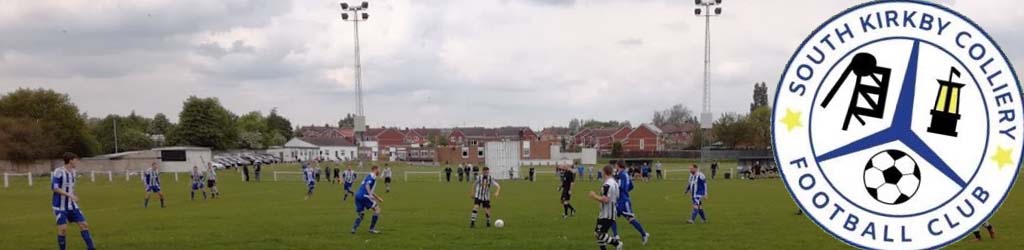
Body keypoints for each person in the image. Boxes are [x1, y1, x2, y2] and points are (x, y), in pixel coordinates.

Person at [51, 153, 96, 250]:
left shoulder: (73, 172)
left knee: (84, 225)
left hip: (72, 205)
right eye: (75, 160)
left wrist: (74, 194)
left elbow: (71, 186)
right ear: (70, 160)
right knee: (63, 229)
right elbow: (55, 188)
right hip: (60, 206)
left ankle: (91, 248)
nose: (76, 162)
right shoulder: (58, 171)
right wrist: (70, 195)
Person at [614, 163, 650, 245]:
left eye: (616, 165)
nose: (615, 167)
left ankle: (644, 234)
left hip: (623, 201)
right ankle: (616, 236)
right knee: (611, 216)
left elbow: (621, 187)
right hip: (621, 200)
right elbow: (631, 186)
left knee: (630, 219)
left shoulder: (621, 174)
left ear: (618, 166)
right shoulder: (625, 174)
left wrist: (614, 189)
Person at [589, 165, 623, 250]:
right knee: (598, 234)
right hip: (608, 212)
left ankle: (617, 243)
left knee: (600, 234)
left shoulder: (607, 185)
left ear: (604, 172)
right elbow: (617, 196)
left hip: (607, 214)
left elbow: (606, 200)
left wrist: (594, 196)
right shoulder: (615, 183)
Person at [352, 166, 384, 234]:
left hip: (358, 195)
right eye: (379, 169)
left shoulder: (368, 176)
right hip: (365, 196)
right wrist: (369, 194)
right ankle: (371, 229)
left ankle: (354, 229)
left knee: (361, 214)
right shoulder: (372, 176)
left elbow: (370, 189)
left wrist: (378, 198)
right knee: (377, 210)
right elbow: (367, 185)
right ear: (375, 170)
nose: (380, 171)